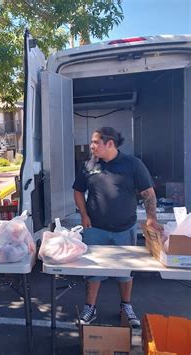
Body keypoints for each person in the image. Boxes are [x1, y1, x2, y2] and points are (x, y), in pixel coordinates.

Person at [73, 127, 163, 327]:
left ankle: (126, 305)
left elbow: (148, 192)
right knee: (93, 271)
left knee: (124, 272)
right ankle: (90, 307)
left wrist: (151, 218)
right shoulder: (89, 165)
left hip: (124, 229)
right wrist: (84, 215)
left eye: (96, 142)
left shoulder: (132, 164)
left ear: (110, 143)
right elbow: (78, 191)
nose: (92, 146)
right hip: (95, 229)